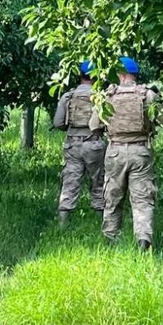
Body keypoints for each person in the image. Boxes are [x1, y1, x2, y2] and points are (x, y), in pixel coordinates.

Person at [89, 57, 163, 251]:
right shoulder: (147, 95)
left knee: (113, 197)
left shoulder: (107, 96)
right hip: (141, 152)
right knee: (142, 198)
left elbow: (93, 126)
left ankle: (110, 240)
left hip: (115, 151)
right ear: (134, 74)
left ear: (120, 74)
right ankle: (143, 241)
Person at [52, 60, 106, 228]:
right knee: (98, 183)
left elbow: (58, 123)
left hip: (72, 145)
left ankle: (62, 225)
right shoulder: (100, 97)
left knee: (70, 182)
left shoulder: (68, 96)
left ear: (80, 75)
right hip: (94, 143)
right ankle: (101, 224)